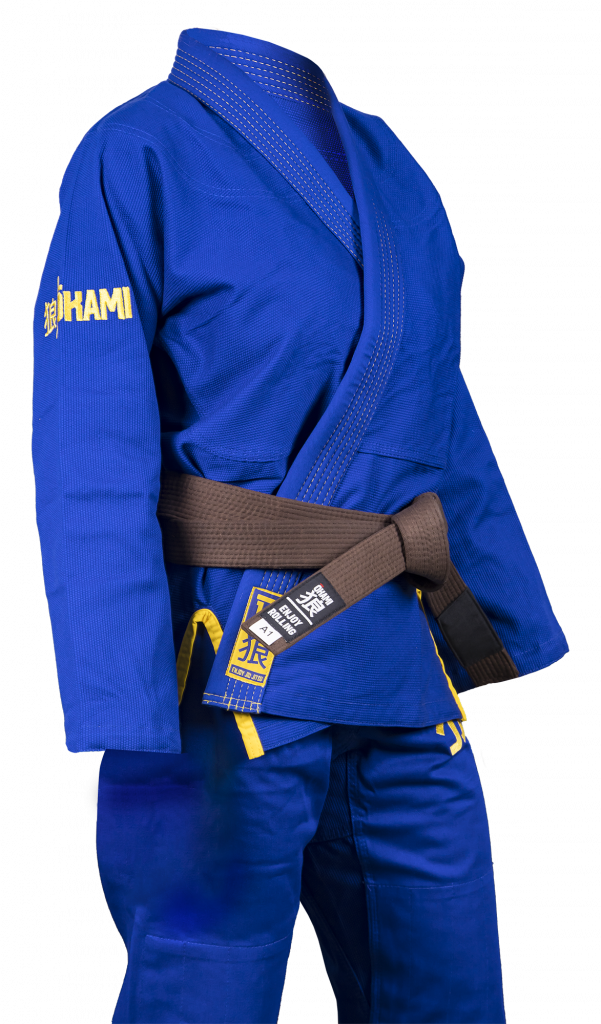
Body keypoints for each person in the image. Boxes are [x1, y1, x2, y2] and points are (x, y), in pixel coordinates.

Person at [33, 25, 568, 1023]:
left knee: (452, 994)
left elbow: (435, 409)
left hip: (401, 670)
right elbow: (89, 438)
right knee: (201, 991)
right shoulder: (136, 150)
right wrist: (122, 697)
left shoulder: (392, 161)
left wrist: (502, 625)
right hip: (224, 674)